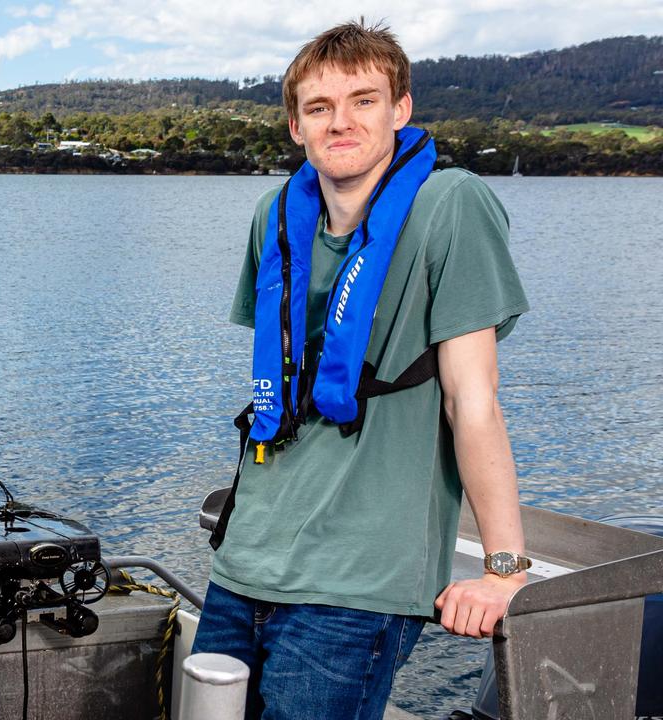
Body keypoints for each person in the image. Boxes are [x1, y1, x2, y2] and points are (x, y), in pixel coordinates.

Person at [196, 21, 531, 718]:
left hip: (355, 587)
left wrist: (504, 570)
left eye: (364, 100)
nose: (339, 122)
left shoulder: (451, 206)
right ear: (296, 126)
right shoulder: (274, 218)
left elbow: (473, 401)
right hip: (243, 568)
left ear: (401, 108)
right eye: (319, 108)